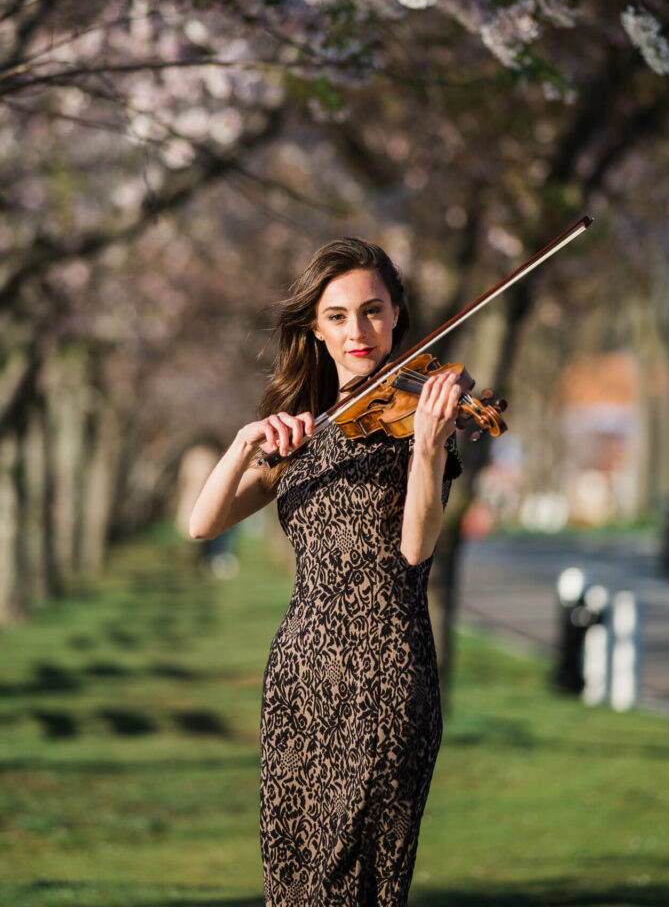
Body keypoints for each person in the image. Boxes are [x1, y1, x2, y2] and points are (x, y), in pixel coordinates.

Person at [189, 237, 464, 907]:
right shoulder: (304, 433)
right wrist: (243, 442)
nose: (357, 331)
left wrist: (427, 453)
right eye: (337, 315)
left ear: (397, 313)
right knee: (292, 875)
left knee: (354, 877)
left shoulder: (419, 422)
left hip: (384, 669)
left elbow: (414, 551)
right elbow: (202, 523)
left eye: (372, 311)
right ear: (315, 327)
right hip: (298, 673)